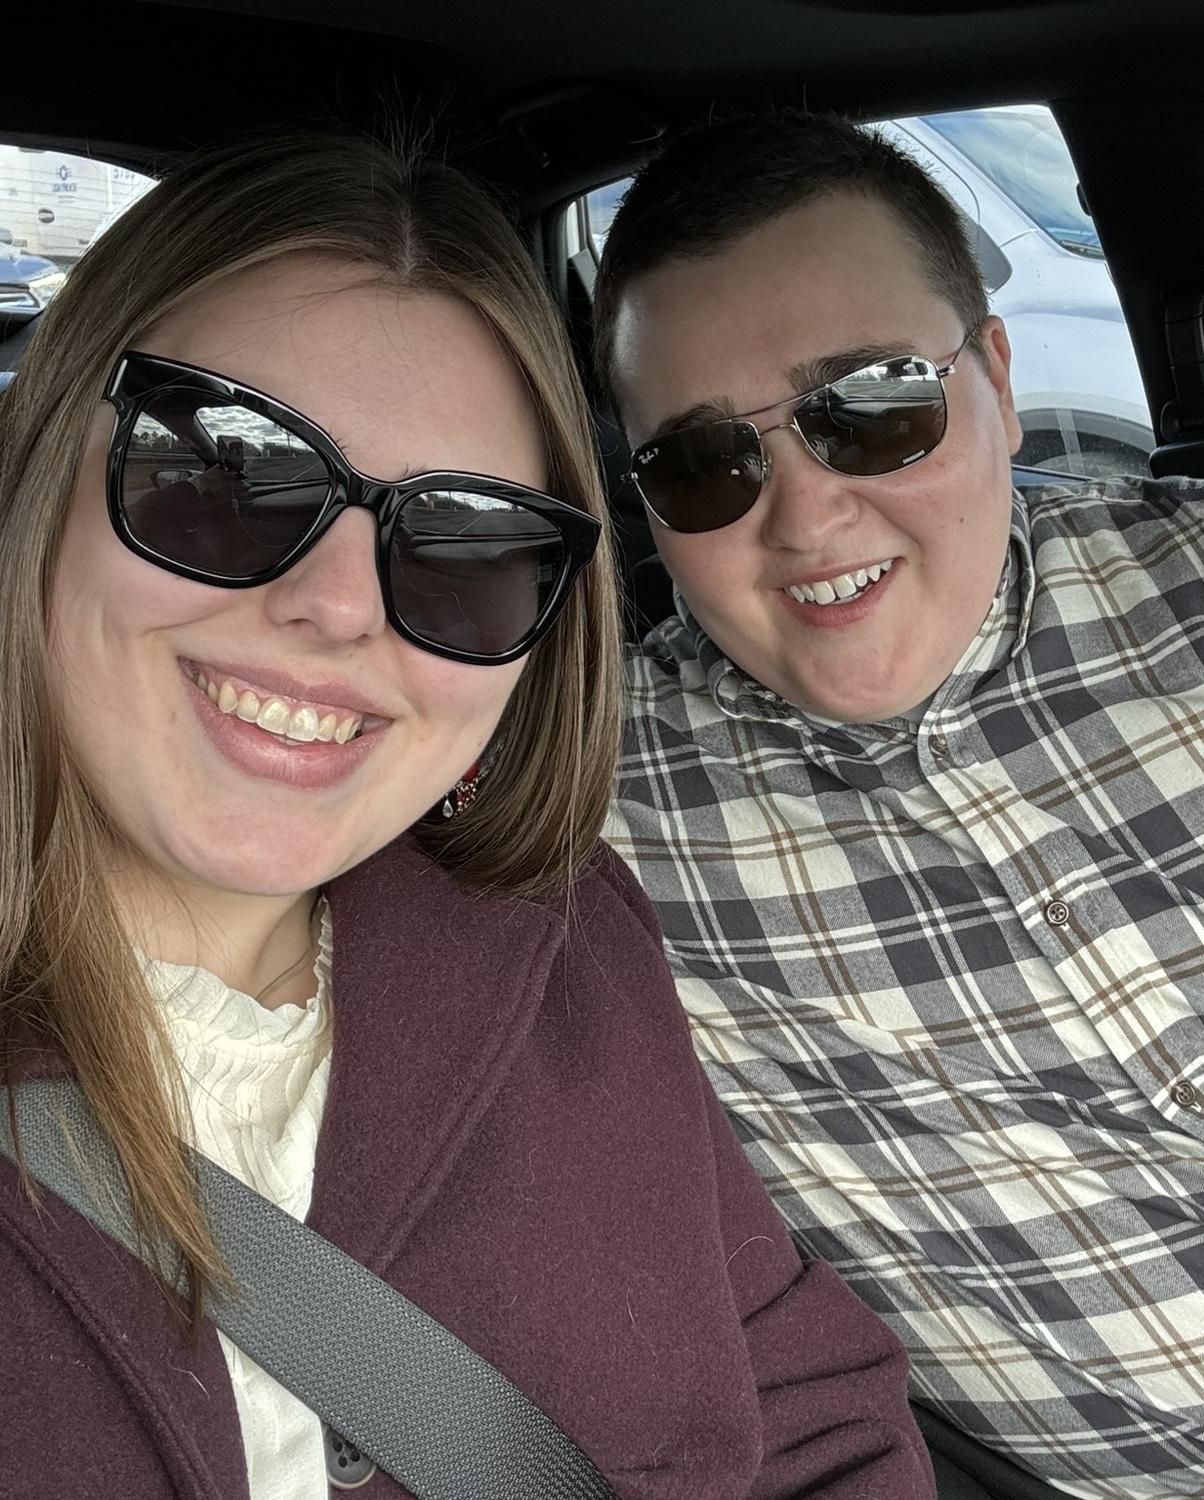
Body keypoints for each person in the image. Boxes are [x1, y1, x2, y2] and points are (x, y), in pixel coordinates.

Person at [0, 130, 935, 1500]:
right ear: (35, 471)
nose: (339, 606)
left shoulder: (571, 953)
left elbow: (814, 1423)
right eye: (230, 475)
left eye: (465, 545)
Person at [596, 112, 1204, 1498]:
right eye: (705, 464)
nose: (806, 519)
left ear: (1000, 385)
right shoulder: (597, 821)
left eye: (874, 408)